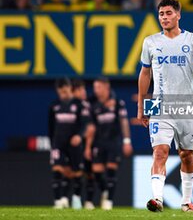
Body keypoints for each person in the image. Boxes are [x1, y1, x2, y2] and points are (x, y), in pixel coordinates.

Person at [137, 0, 193, 212]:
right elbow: (145, 73)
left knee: (186, 155)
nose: (164, 17)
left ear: (178, 15)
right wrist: (142, 105)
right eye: (161, 14)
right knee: (160, 152)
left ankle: (186, 201)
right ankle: (158, 199)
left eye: (169, 13)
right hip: (159, 105)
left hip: (186, 106)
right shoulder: (150, 42)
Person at [88, 77, 133, 210]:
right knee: (97, 172)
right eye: (95, 88)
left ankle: (109, 201)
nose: (96, 90)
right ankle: (105, 191)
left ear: (106, 87)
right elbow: (91, 126)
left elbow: (124, 122)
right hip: (98, 142)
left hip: (113, 141)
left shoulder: (118, 103)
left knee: (111, 170)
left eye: (99, 87)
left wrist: (126, 141)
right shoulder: (93, 104)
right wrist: (88, 146)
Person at [48, 78, 90, 209]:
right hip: (58, 144)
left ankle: (76, 198)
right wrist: (52, 145)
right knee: (57, 170)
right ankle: (58, 201)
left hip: (74, 145)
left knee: (76, 172)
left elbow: (84, 123)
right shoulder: (54, 106)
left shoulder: (79, 105)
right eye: (61, 93)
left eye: (65, 92)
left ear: (69, 88)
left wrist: (79, 135)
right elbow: (51, 127)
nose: (63, 95)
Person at [71, 79, 96, 210]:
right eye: (80, 89)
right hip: (71, 144)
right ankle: (68, 199)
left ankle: (87, 201)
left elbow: (90, 128)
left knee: (88, 171)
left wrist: (87, 147)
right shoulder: (67, 105)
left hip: (85, 144)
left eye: (84, 89)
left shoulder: (86, 105)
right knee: (72, 171)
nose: (84, 92)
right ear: (73, 91)